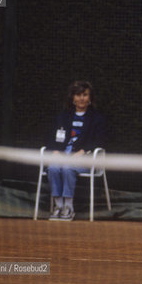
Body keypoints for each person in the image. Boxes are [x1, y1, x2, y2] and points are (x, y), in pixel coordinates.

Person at [46, 81, 107, 221]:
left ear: (90, 98)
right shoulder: (62, 116)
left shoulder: (97, 118)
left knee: (68, 168)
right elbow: (51, 137)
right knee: (53, 168)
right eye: (78, 95)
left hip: (85, 159)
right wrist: (55, 150)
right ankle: (58, 206)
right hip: (62, 156)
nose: (81, 98)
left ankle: (68, 208)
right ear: (72, 97)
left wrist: (83, 151)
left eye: (85, 95)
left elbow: (100, 140)